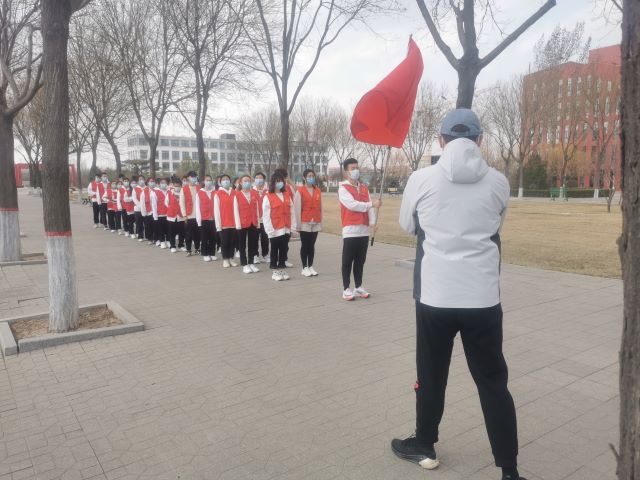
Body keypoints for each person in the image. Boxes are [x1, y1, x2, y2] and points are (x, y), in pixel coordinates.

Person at [392, 109, 522, 480]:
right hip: (482, 297)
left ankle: (425, 443)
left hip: (436, 295)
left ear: (440, 140)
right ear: (480, 141)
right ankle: (509, 470)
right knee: (493, 382)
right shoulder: (498, 181)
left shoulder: (422, 178)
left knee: (431, 375)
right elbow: (498, 224)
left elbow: (406, 225)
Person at [338, 158, 379, 301]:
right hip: (350, 230)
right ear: (346, 172)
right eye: (352, 168)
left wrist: (373, 222)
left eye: (357, 167)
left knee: (360, 261)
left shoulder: (364, 187)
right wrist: (371, 204)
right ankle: (346, 289)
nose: (355, 170)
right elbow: (353, 205)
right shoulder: (343, 188)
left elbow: (370, 208)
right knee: (347, 261)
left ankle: (358, 287)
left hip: (363, 230)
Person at [262, 172, 296, 281]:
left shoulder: (286, 194)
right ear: (272, 183)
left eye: (281, 181)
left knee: (283, 250)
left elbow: (292, 211)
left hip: (285, 228)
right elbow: (266, 215)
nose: (279, 183)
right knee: (274, 250)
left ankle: (282, 269)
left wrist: (293, 226)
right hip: (274, 229)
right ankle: (275, 271)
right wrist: (269, 230)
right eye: (277, 181)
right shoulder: (268, 196)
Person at [294, 169, 322, 277]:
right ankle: (304, 267)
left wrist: (320, 222)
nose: (311, 178)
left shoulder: (318, 191)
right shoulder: (300, 191)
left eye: (313, 176)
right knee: (305, 245)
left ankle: (310, 266)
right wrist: (298, 224)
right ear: (304, 178)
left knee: (312, 245)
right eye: (309, 176)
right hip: (304, 221)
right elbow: (297, 208)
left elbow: (320, 207)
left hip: (315, 221)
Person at [234, 175, 260, 274]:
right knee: (242, 245)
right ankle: (244, 264)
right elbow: (236, 210)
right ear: (240, 183)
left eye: (249, 181)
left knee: (253, 244)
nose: (247, 183)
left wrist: (258, 223)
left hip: (253, 222)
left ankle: (251, 262)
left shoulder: (254, 193)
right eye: (245, 181)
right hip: (242, 223)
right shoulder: (237, 195)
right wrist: (238, 225)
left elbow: (256, 208)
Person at [214, 174, 239, 268]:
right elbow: (216, 210)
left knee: (232, 242)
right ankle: (225, 259)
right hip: (223, 223)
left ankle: (231, 258)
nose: (225, 181)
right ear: (220, 182)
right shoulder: (218, 194)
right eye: (223, 179)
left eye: (227, 179)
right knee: (224, 242)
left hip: (234, 223)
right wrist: (218, 225)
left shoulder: (234, 192)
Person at [273, 168, 295, 268]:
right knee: (276, 243)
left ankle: (283, 259)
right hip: (276, 221)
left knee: (285, 242)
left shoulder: (288, 188)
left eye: (283, 178)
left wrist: (289, 181)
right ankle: (275, 261)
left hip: (287, 219)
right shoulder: (271, 190)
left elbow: (297, 193)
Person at [196, 175, 217, 262]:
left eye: (210, 180)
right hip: (204, 219)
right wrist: (199, 221)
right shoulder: (199, 193)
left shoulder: (215, 192)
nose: (208, 182)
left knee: (213, 237)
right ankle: (205, 253)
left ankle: (212, 253)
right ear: (204, 182)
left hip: (214, 219)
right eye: (206, 180)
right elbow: (197, 207)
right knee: (205, 237)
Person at [179, 171, 201, 257]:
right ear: (188, 178)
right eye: (192, 176)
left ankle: (197, 248)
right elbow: (182, 203)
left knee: (197, 234)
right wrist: (184, 215)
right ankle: (188, 249)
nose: (193, 178)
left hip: (198, 215)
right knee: (188, 234)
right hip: (189, 215)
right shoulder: (184, 189)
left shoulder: (199, 188)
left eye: (195, 176)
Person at [253, 172, 269, 263]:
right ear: (254, 180)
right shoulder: (252, 191)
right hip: (255, 220)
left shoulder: (267, 192)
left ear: (264, 180)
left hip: (265, 220)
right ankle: (255, 255)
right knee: (254, 238)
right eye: (257, 178)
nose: (259, 180)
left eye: (261, 178)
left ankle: (265, 254)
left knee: (265, 238)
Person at [166, 179, 186, 253]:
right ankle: (172, 246)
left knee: (182, 232)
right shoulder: (169, 193)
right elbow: (166, 202)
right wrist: (172, 208)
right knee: (172, 232)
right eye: (176, 186)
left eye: (178, 186)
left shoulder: (183, 193)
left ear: (181, 186)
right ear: (174, 186)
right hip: (172, 216)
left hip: (181, 216)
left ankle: (181, 245)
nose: (177, 187)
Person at [152, 178, 169, 248]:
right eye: (162, 183)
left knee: (168, 229)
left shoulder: (170, 191)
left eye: (165, 182)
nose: (163, 184)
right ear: (159, 184)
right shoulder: (155, 192)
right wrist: (155, 215)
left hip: (169, 214)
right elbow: (154, 205)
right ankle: (162, 241)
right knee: (161, 229)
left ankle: (168, 241)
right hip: (160, 214)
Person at [139, 177, 155, 245]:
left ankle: (156, 238)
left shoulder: (157, 190)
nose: (152, 183)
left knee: (155, 226)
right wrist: (144, 213)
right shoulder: (144, 191)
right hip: (148, 212)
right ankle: (150, 238)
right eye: (150, 181)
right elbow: (142, 203)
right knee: (148, 226)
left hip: (155, 212)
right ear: (148, 183)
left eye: (153, 181)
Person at [131, 175, 145, 241]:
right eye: (140, 179)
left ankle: (148, 235)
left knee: (147, 223)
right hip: (138, 209)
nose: (141, 180)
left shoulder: (147, 188)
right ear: (138, 181)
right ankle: (140, 236)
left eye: (142, 179)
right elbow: (134, 198)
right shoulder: (135, 188)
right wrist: (140, 205)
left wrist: (144, 206)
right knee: (139, 223)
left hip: (146, 209)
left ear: (144, 180)